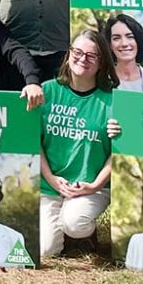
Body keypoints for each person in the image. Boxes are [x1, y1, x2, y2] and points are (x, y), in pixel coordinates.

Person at [39, 30, 115, 258]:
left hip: (90, 186)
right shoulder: (47, 90)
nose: (83, 59)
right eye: (78, 52)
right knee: (45, 250)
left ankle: (81, 232)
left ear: (102, 63)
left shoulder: (112, 100)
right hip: (49, 184)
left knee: (74, 224)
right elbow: (35, 143)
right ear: (68, 55)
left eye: (92, 56)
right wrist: (51, 179)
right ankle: (63, 232)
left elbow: (118, 154)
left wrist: (94, 185)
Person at [104, 14, 143, 93]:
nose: (124, 43)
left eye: (130, 37)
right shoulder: (101, 81)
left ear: (138, 41)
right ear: (110, 45)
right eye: (116, 38)